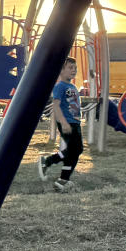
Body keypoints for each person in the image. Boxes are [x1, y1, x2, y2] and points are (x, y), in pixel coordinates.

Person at [37, 57, 83, 192]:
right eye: (70, 68)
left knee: (76, 150)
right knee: (75, 150)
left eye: (75, 68)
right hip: (67, 122)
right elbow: (56, 106)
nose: (74, 70)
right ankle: (62, 179)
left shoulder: (73, 87)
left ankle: (49, 163)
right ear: (61, 70)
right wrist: (63, 122)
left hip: (75, 122)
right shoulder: (60, 86)